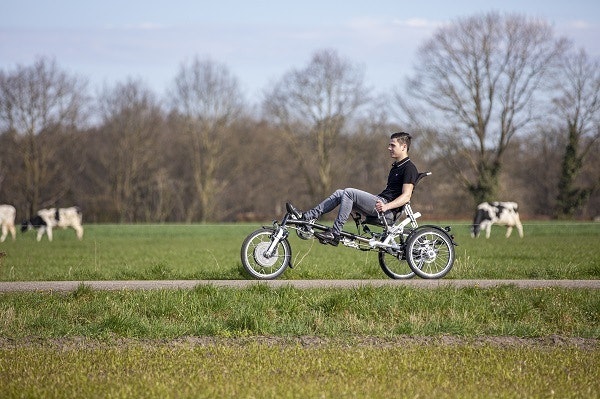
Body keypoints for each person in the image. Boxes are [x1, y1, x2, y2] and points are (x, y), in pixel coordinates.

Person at [288, 132, 419, 246]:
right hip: (381, 203)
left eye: (392, 145)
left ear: (404, 147)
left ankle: (335, 233)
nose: (389, 148)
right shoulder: (396, 167)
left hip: (387, 210)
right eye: (389, 145)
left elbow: (406, 196)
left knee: (349, 192)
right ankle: (307, 217)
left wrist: (387, 206)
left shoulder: (409, 168)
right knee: (340, 192)